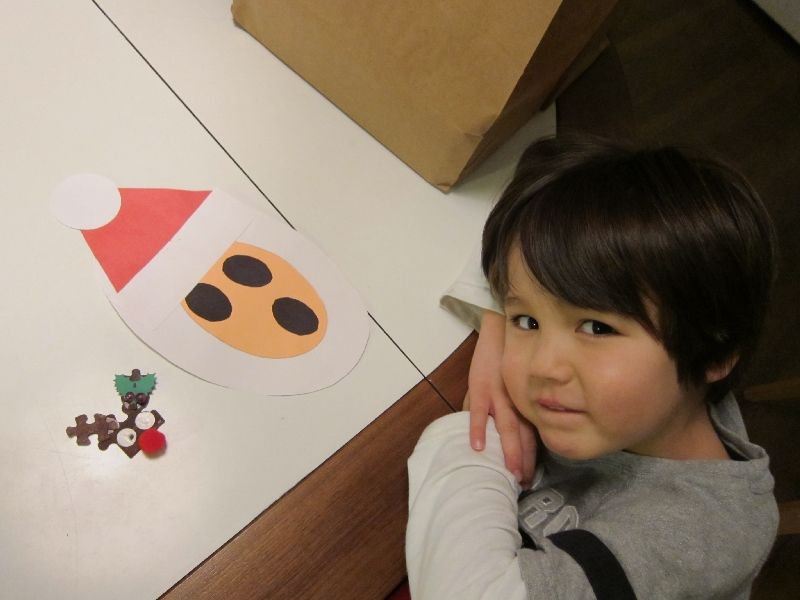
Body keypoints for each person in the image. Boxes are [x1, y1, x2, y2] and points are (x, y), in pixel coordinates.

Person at [407, 135, 779, 599]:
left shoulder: (703, 530)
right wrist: (496, 334)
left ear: (716, 354)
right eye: (528, 321)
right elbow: (519, 218)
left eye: (597, 328)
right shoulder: (656, 393)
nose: (542, 366)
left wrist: (471, 441)